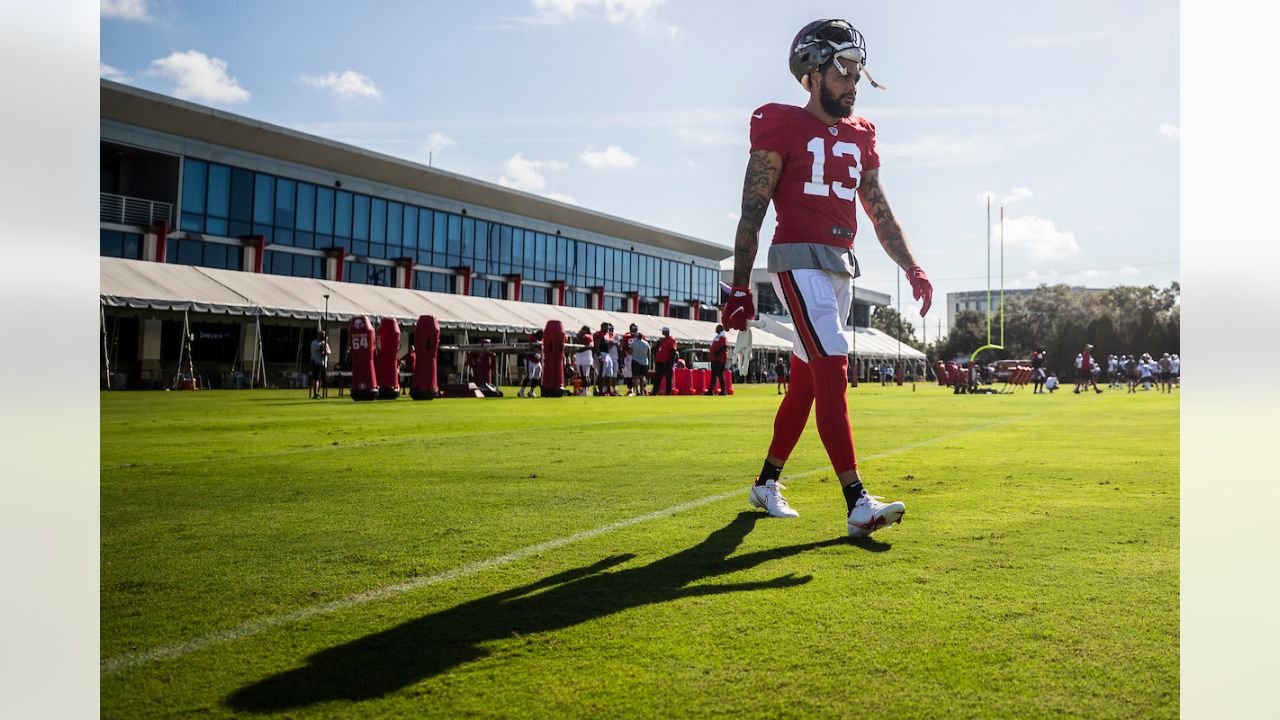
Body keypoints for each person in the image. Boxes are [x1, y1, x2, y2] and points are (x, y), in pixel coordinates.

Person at [723, 19, 927, 537]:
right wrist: (742, 286)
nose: (853, 82)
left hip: (841, 264)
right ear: (812, 72)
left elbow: (879, 211)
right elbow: (752, 212)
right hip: (796, 261)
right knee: (833, 362)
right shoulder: (780, 124)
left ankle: (765, 482)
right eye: (843, 69)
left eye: (858, 71)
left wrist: (912, 267)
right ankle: (857, 500)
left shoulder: (860, 136)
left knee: (807, 383)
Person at [517, 329, 544, 398]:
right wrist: (535, 353)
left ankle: (531, 391)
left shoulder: (542, 340)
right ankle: (521, 391)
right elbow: (531, 347)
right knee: (529, 376)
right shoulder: (532, 338)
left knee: (538, 376)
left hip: (537, 361)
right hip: (530, 359)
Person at [652, 326, 678, 395]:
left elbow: (673, 351)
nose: (662, 332)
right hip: (659, 361)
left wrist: (671, 362)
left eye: (663, 331)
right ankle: (654, 391)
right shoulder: (662, 340)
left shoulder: (671, 339)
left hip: (666, 362)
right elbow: (655, 349)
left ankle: (668, 392)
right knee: (657, 378)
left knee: (668, 377)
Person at [706, 324, 730, 395]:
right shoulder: (717, 337)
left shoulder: (723, 337)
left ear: (720, 329)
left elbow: (724, 346)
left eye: (717, 328)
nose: (716, 329)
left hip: (720, 359)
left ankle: (723, 391)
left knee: (720, 375)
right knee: (714, 376)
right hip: (715, 359)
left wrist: (717, 352)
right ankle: (710, 391)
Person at [309, 330, 331, 399]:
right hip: (316, 363)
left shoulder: (325, 343)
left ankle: (318, 392)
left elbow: (329, 351)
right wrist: (324, 348)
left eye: (324, 335)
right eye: (322, 335)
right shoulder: (314, 343)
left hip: (323, 364)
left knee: (322, 379)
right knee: (315, 378)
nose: (323, 336)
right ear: (319, 335)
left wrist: (326, 350)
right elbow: (320, 349)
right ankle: (315, 393)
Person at [574, 325, 594, 392]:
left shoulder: (587, 336)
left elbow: (585, 345)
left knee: (584, 375)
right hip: (586, 357)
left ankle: (585, 390)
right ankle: (586, 389)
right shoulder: (582, 336)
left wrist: (580, 337)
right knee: (585, 375)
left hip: (583, 358)